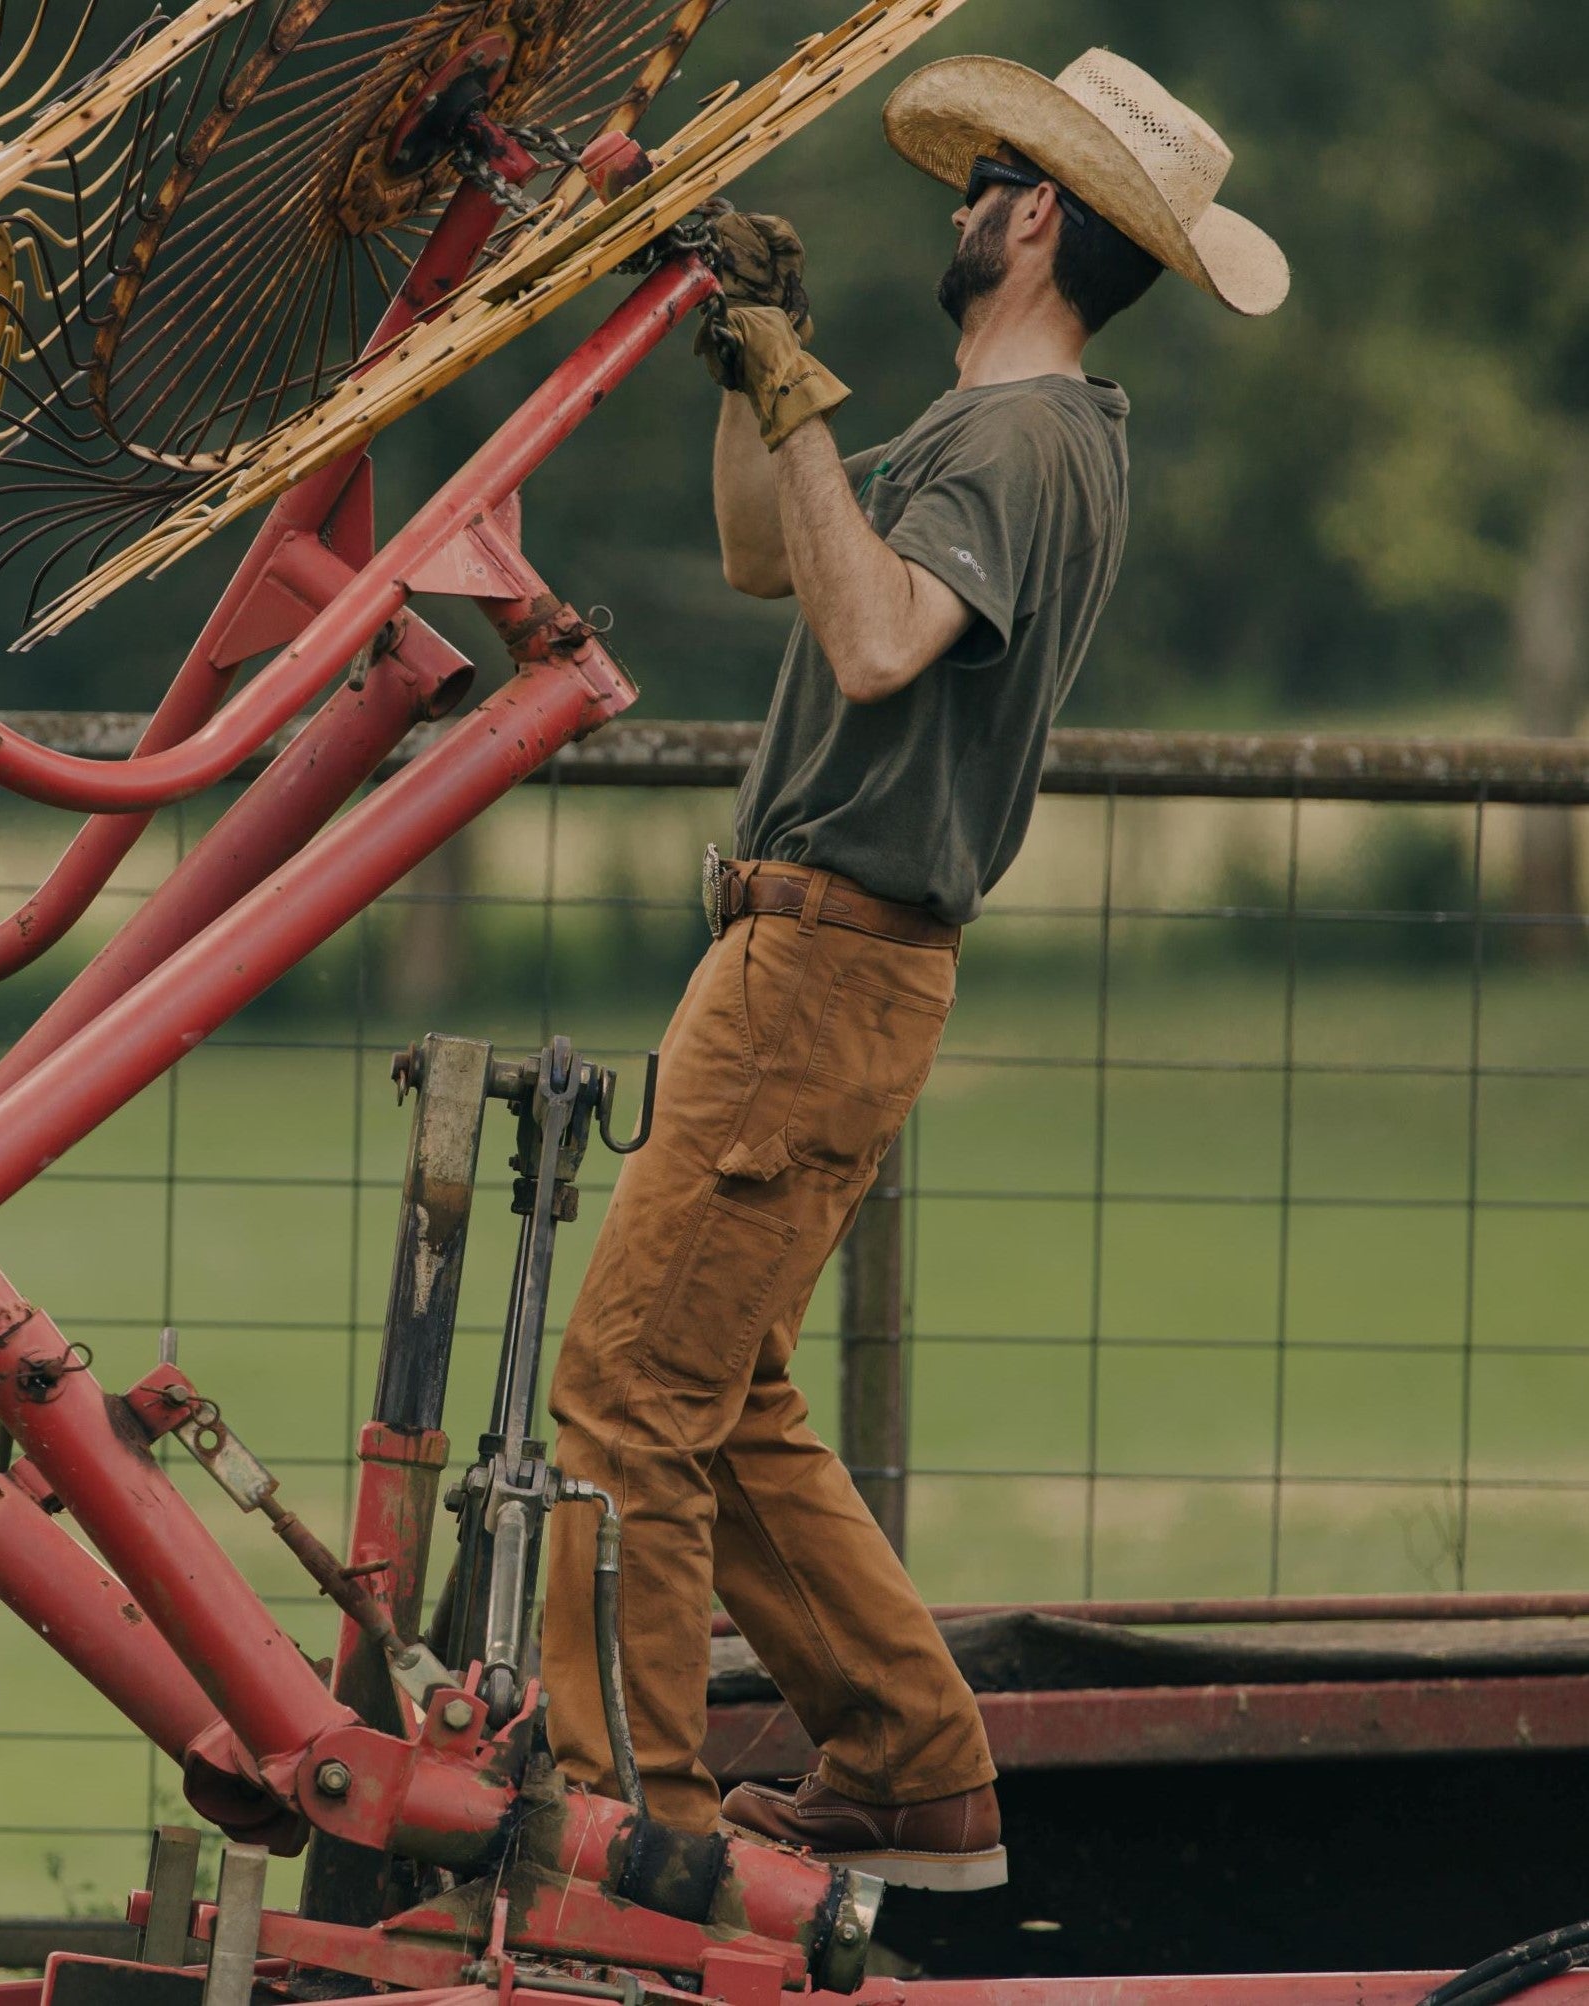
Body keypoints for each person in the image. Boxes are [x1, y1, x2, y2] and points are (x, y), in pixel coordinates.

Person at [538, 48, 1289, 1888]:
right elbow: (755, 552)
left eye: (985, 189)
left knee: (626, 1398)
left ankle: (635, 1824)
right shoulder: (995, 435)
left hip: (817, 972)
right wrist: (751, 366)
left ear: (1032, 216)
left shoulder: (1021, 443)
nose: (955, 209)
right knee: (733, 1403)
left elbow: (872, 642)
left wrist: (796, 381)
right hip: (813, 971)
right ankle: (911, 1770)